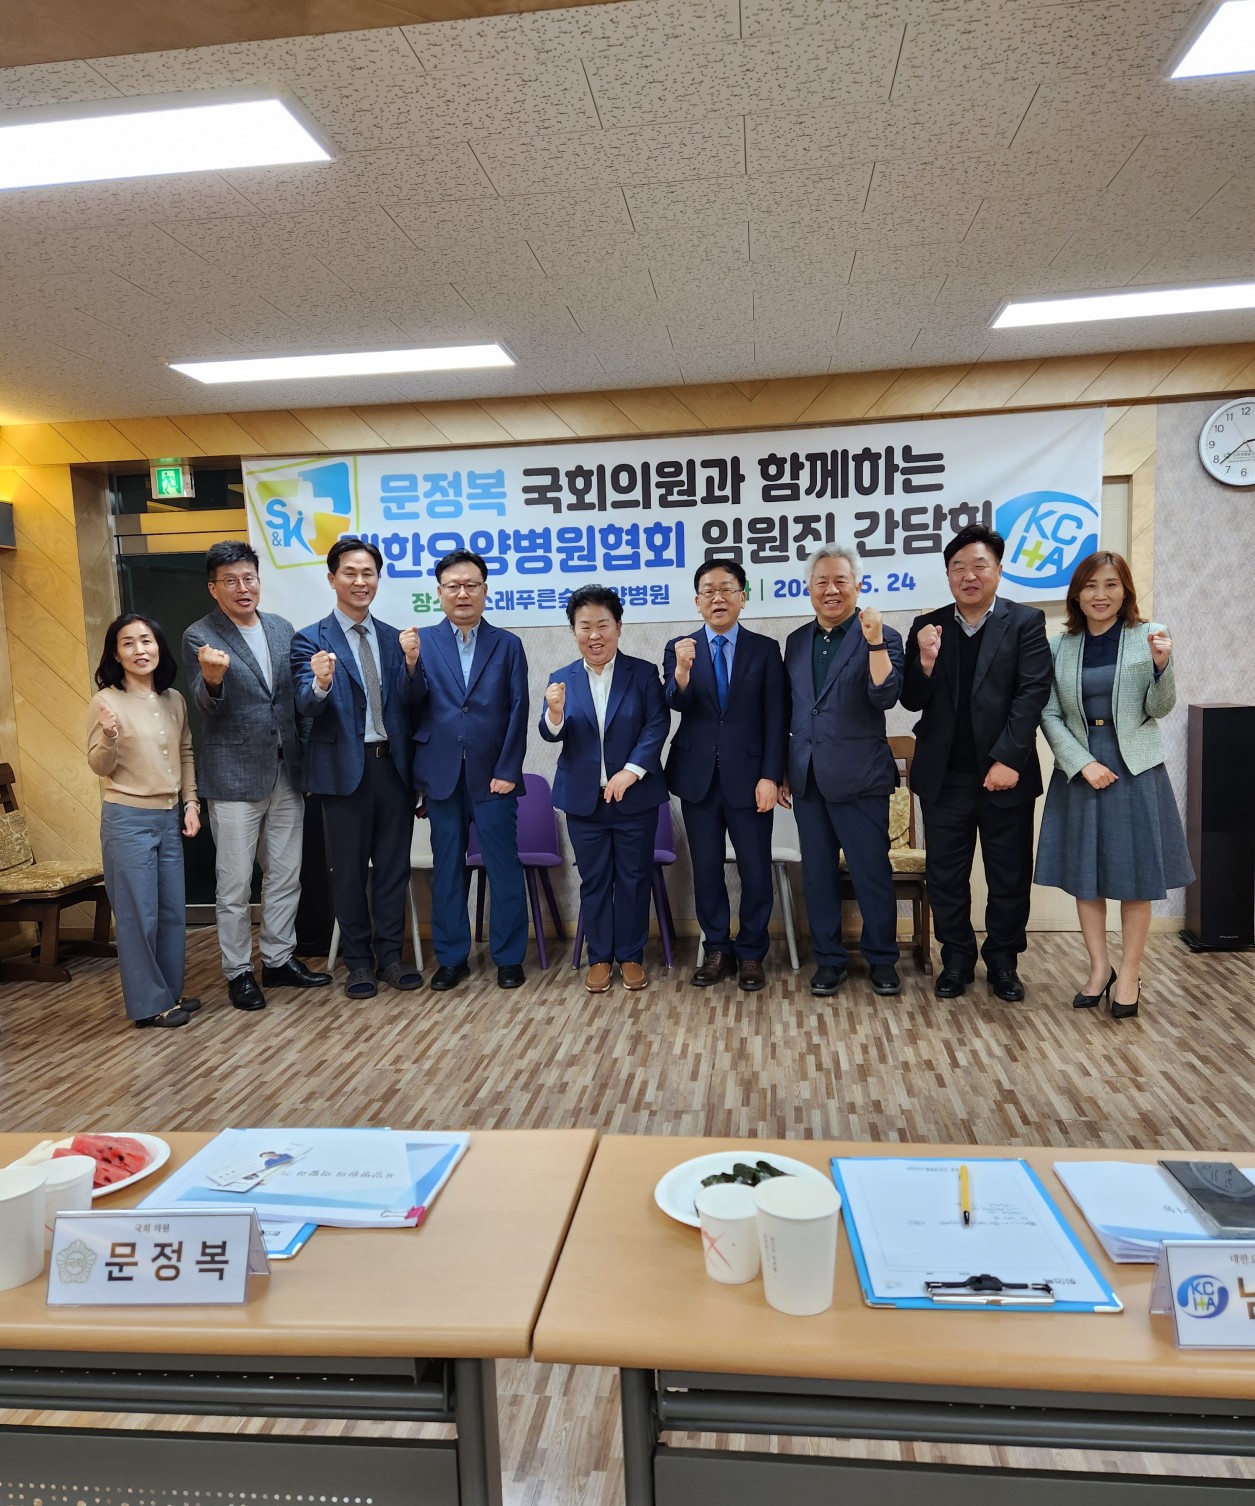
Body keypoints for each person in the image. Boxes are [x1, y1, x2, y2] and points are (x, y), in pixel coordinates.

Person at [1035, 551, 1193, 1020]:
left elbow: (1159, 708)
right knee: (1086, 876)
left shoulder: (1149, 636)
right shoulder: (1059, 646)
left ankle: (1129, 973)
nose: (1100, 595)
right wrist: (1082, 763)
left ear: (1125, 591)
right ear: (1076, 594)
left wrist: (1162, 666)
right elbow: (1048, 713)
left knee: (1135, 875)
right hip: (1081, 768)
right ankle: (1099, 968)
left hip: (1135, 768)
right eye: (1090, 586)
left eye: (1110, 585)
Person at [901, 523, 1052, 1002]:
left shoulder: (1025, 622)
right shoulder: (928, 626)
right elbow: (910, 698)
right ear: (948, 574)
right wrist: (925, 662)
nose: (969, 576)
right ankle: (957, 960)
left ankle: (1003, 962)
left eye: (979, 566)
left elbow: (1032, 694)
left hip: (1004, 775)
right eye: (958, 567)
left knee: (1008, 875)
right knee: (946, 876)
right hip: (944, 777)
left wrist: (1008, 758)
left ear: (998, 570)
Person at [182, 540, 330, 1013]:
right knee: (234, 884)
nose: (242, 588)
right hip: (233, 777)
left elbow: (293, 702)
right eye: (231, 581)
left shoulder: (281, 628)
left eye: (249, 578)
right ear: (214, 588)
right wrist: (212, 679)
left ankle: (279, 960)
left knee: (285, 875)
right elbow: (205, 706)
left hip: (287, 771)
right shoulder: (200, 635)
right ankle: (239, 972)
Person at [291, 536, 420, 1000]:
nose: (360, 581)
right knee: (347, 873)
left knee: (392, 869)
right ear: (332, 579)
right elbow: (304, 705)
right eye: (350, 572)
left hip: (393, 770)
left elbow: (412, 704)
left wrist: (411, 666)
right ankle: (359, 962)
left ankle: (391, 957)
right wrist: (321, 683)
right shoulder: (310, 639)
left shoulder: (394, 638)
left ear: (378, 579)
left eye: (368, 573)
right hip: (342, 773)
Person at [402, 549, 530, 992]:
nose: (462, 593)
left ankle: (509, 957)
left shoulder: (507, 644)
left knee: (504, 868)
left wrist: (509, 769)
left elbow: (518, 708)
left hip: (494, 776)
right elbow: (409, 704)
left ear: (484, 590)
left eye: (471, 585)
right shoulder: (421, 642)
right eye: (453, 586)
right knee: (447, 871)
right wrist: (410, 665)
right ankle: (452, 958)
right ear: (439, 592)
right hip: (441, 777)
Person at [782, 548, 905, 998]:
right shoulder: (797, 641)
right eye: (821, 582)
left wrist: (874, 642)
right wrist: (783, 769)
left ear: (858, 586)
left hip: (861, 779)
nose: (831, 590)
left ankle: (882, 959)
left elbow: (885, 696)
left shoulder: (883, 635)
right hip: (808, 778)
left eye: (840, 581)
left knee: (871, 873)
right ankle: (829, 960)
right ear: (809, 588)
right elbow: (793, 709)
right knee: (817, 876)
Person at [663, 560, 788, 992]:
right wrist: (681, 671)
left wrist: (771, 775)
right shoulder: (680, 648)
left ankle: (751, 952)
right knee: (707, 870)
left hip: (750, 779)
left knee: (755, 869)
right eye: (708, 591)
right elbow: (675, 702)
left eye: (726, 589)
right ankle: (716, 947)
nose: (717, 598)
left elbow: (776, 716)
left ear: (742, 597)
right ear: (697, 601)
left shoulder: (764, 649)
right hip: (697, 778)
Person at [540, 585, 669, 994]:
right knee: (594, 880)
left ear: (618, 627)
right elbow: (550, 732)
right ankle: (599, 957)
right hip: (584, 802)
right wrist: (554, 713)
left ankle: (630, 955)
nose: (594, 635)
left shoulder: (642, 673)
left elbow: (656, 725)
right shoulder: (561, 679)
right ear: (573, 631)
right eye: (585, 626)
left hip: (635, 797)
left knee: (633, 878)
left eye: (603, 625)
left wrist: (630, 772)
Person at [86, 613, 203, 1029]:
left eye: (147, 641)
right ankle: (149, 1005)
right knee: (139, 917)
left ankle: (168, 993)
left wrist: (191, 803)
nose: (140, 650)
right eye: (128, 643)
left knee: (171, 912)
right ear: (116, 654)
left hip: (169, 817)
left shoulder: (174, 699)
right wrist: (109, 735)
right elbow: (99, 766)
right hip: (127, 819)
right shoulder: (106, 701)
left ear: (159, 647)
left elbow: (185, 753)